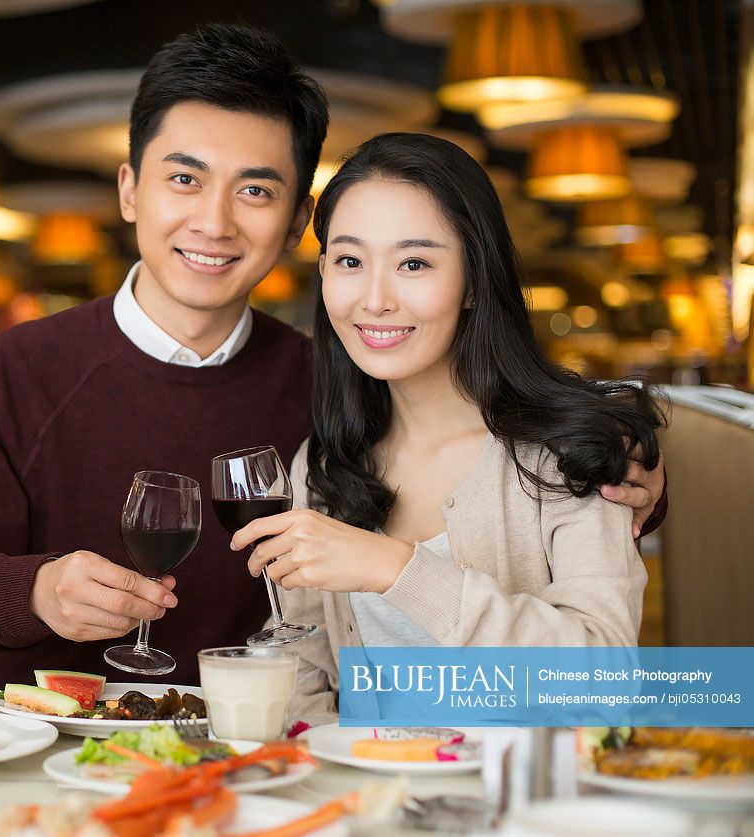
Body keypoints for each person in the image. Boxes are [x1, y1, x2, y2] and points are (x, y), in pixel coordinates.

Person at [0, 27, 666, 693]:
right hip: (49, 756)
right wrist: (34, 593)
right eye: (183, 179)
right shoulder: (22, 368)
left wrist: (618, 472)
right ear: (129, 190)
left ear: (296, 224)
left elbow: (500, 477)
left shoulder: (335, 390)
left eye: (254, 192)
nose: (213, 221)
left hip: (265, 760)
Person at [227, 133, 666, 717]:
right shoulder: (325, 463)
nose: (375, 298)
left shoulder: (568, 452)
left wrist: (396, 569)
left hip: (525, 798)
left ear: (473, 282)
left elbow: (605, 675)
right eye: (350, 261)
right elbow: (304, 665)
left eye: (414, 263)